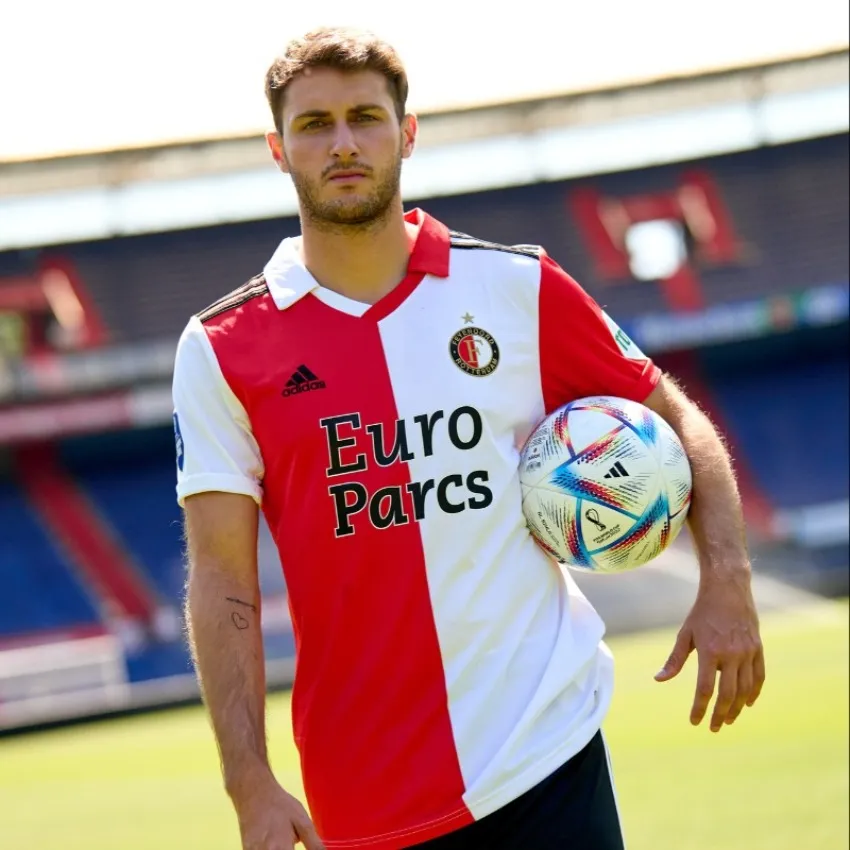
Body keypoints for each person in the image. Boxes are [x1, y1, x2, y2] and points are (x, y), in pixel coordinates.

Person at [172, 26, 765, 850]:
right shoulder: (221, 348)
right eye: (314, 125)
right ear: (278, 148)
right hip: (364, 795)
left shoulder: (517, 287)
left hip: (544, 748)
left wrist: (727, 580)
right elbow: (222, 581)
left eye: (365, 117)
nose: (343, 143)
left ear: (406, 132)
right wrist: (249, 782)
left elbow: (676, 419)